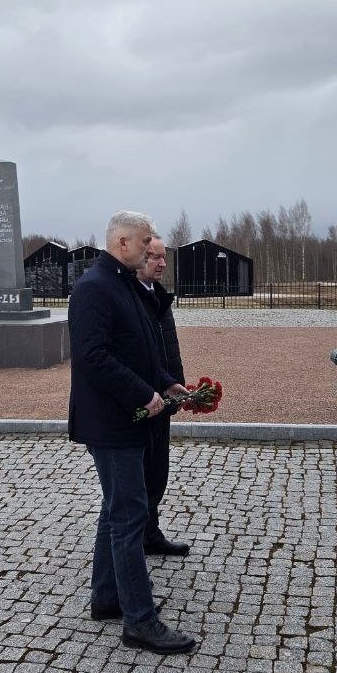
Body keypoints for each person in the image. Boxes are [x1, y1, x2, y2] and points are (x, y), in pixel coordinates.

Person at [67, 211, 197, 654]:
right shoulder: (93, 289)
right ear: (121, 242)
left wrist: (165, 382)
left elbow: (140, 347)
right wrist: (143, 394)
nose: (150, 250)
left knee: (116, 509)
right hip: (112, 421)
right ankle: (140, 621)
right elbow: (92, 357)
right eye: (145, 243)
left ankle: (106, 599)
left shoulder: (123, 284)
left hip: (125, 416)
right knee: (129, 516)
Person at [134, 235, 191, 557]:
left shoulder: (157, 295)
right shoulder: (131, 297)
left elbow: (169, 346)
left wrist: (177, 383)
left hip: (163, 394)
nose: (162, 263)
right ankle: (134, 541)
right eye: (154, 257)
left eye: (163, 257)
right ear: (138, 259)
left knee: (158, 472)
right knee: (138, 476)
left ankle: (150, 534)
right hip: (142, 399)